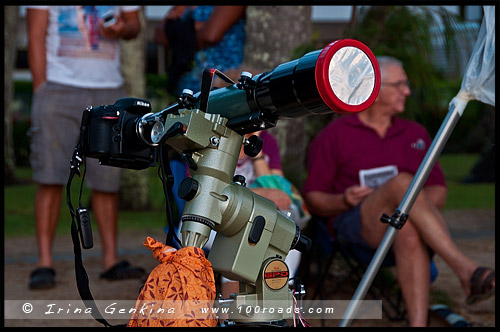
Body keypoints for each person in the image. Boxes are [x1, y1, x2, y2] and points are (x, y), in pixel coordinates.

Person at [302, 56, 495, 327]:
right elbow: (314, 198)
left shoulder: (414, 133)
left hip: (401, 225)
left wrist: (412, 205)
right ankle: (465, 268)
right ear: (373, 89)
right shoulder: (335, 135)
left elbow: (438, 192)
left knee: (407, 231)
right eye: (399, 84)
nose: (407, 91)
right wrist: (344, 199)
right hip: (354, 225)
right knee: (404, 182)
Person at [27, 6, 145, 289]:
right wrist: (42, 90)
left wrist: (122, 29)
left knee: (107, 180)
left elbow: (135, 26)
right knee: (50, 178)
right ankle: (45, 263)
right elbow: (35, 35)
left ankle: (111, 261)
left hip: (108, 90)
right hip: (57, 88)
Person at [154, 5, 246, 95]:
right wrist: (194, 28)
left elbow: (210, 36)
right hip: (185, 87)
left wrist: (179, 27)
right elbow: (159, 36)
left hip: (221, 85)